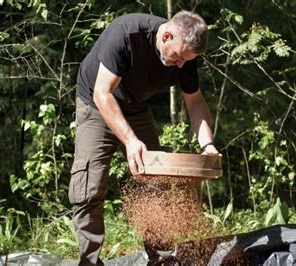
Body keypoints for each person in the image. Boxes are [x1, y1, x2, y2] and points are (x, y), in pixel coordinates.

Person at [69, 10, 219, 265]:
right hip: (96, 103)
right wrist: (130, 141)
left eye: (187, 60)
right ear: (167, 35)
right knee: (89, 187)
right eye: (180, 57)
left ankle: (161, 259)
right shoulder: (127, 34)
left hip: (135, 106)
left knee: (156, 184)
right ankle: (89, 261)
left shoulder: (186, 57)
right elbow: (102, 94)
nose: (182, 64)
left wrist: (208, 144)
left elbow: (194, 102)